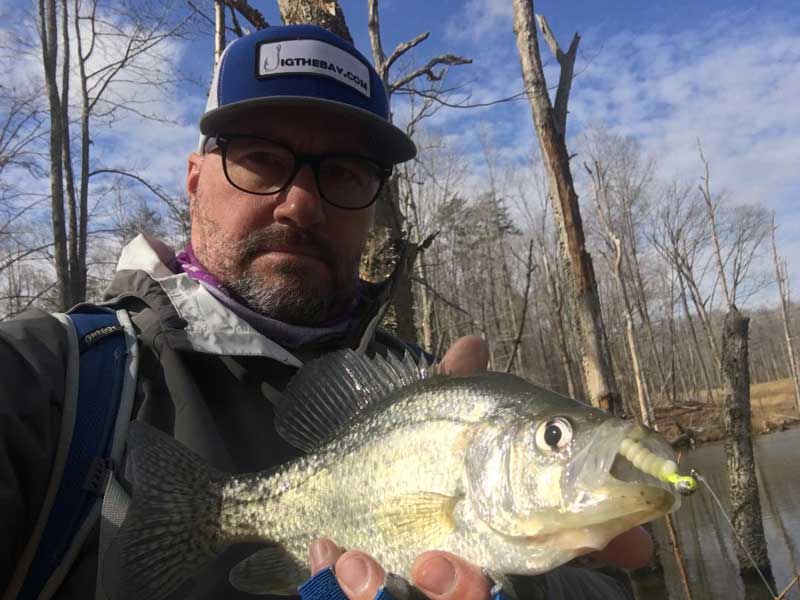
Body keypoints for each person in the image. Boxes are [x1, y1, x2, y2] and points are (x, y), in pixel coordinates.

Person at [0, 25, 651, 600]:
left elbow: (612, 581)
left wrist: (516, 585)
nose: (300, 204)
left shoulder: (432, 386)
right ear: (196, 178)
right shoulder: (47, 380)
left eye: (341, 172)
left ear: (372, 205)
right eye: (260, 159)